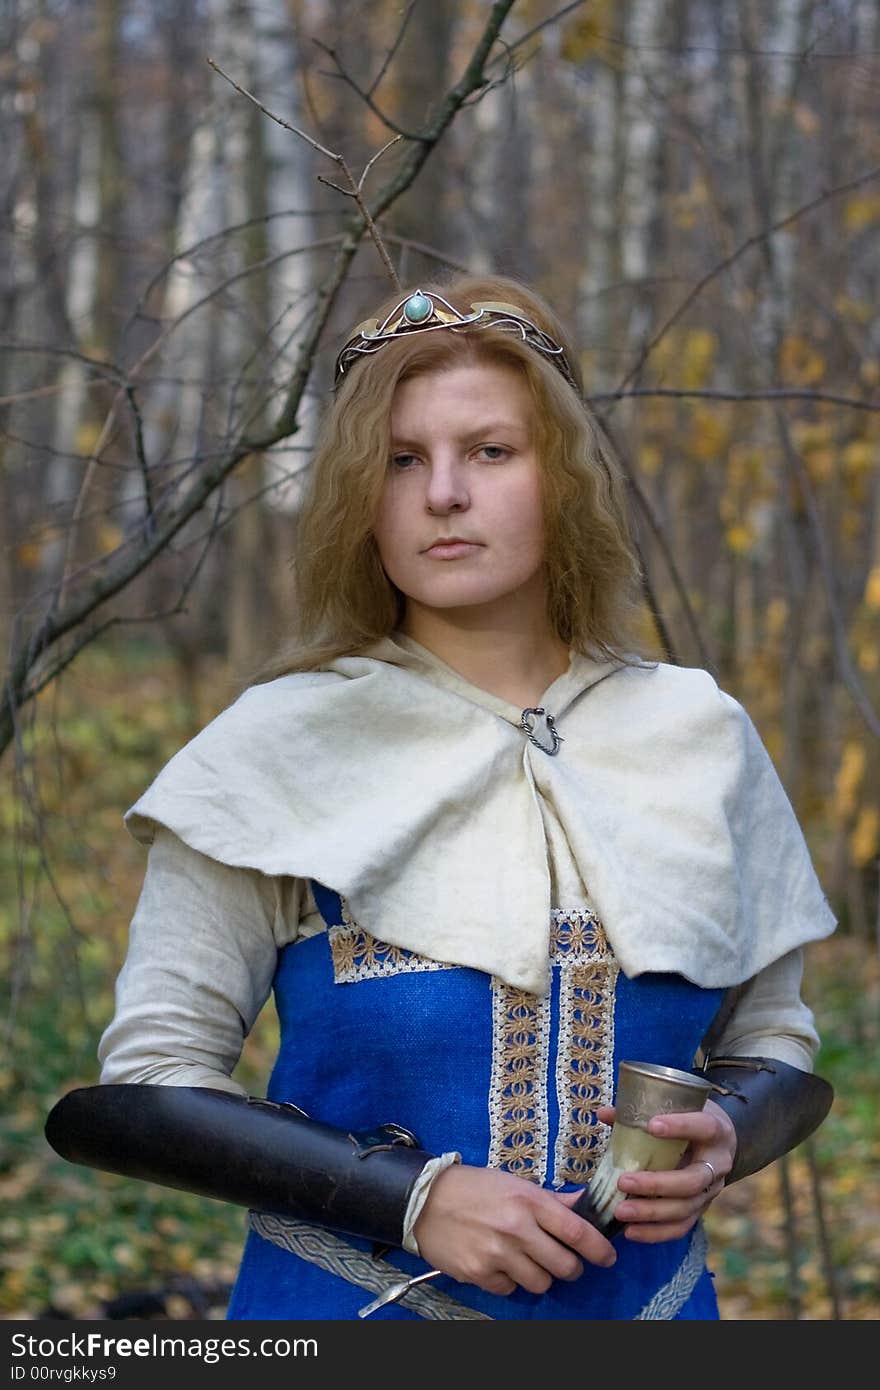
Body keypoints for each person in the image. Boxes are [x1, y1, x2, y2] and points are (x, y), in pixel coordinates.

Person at [45, 273, 836, 1321]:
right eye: (402, 460)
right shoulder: (276, 747)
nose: (443, 493)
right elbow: (150, 1080)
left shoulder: (699, 738)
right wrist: (412, 1200)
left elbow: (773, 1035)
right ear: (360, 497)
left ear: (562, 477)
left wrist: (728, 1133)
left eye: (490, 452)